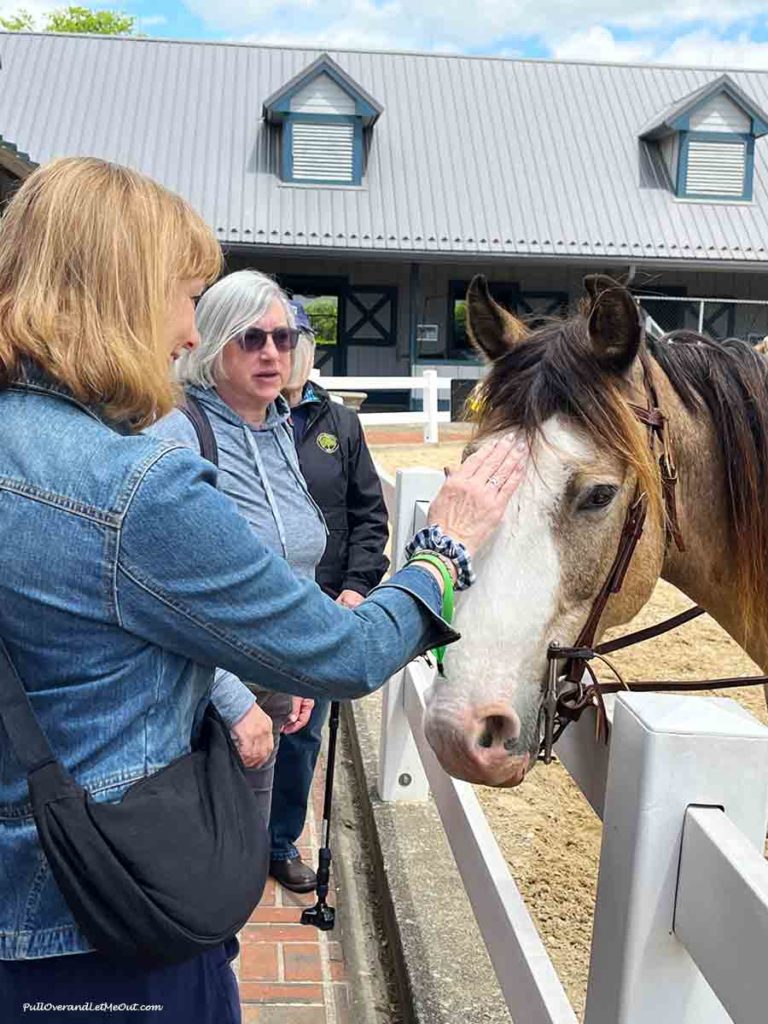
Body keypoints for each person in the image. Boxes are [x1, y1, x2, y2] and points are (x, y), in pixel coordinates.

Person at [0, 156, 525, 1023]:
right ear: (120, 297)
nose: (184, 331)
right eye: (184, 297)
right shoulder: (136, 488)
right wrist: (446, 548)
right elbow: (346, 653)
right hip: (98, 920)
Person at [149, 269, 326, 830]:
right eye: (252, 338)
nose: (272, 352)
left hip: (270, 686)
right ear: (214, 342)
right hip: (199, 698)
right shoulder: (179, 433)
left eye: (284, 338)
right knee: (194, 869)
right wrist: (233, 700)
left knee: (242, 861)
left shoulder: (279, 429)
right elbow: (165, 591)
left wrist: (299, 672)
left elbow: (293, 566)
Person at [269, 302, 389, 892]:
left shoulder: (340, 425)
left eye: (294, 339)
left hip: (320, 606)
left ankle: (277, 839)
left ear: (311, 348)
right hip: (260, 601)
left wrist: (355, 586)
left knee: (302, 732)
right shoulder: (244, 420)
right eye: (267, 339)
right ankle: (231, 832)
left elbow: (369, 516)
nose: (283, 352)